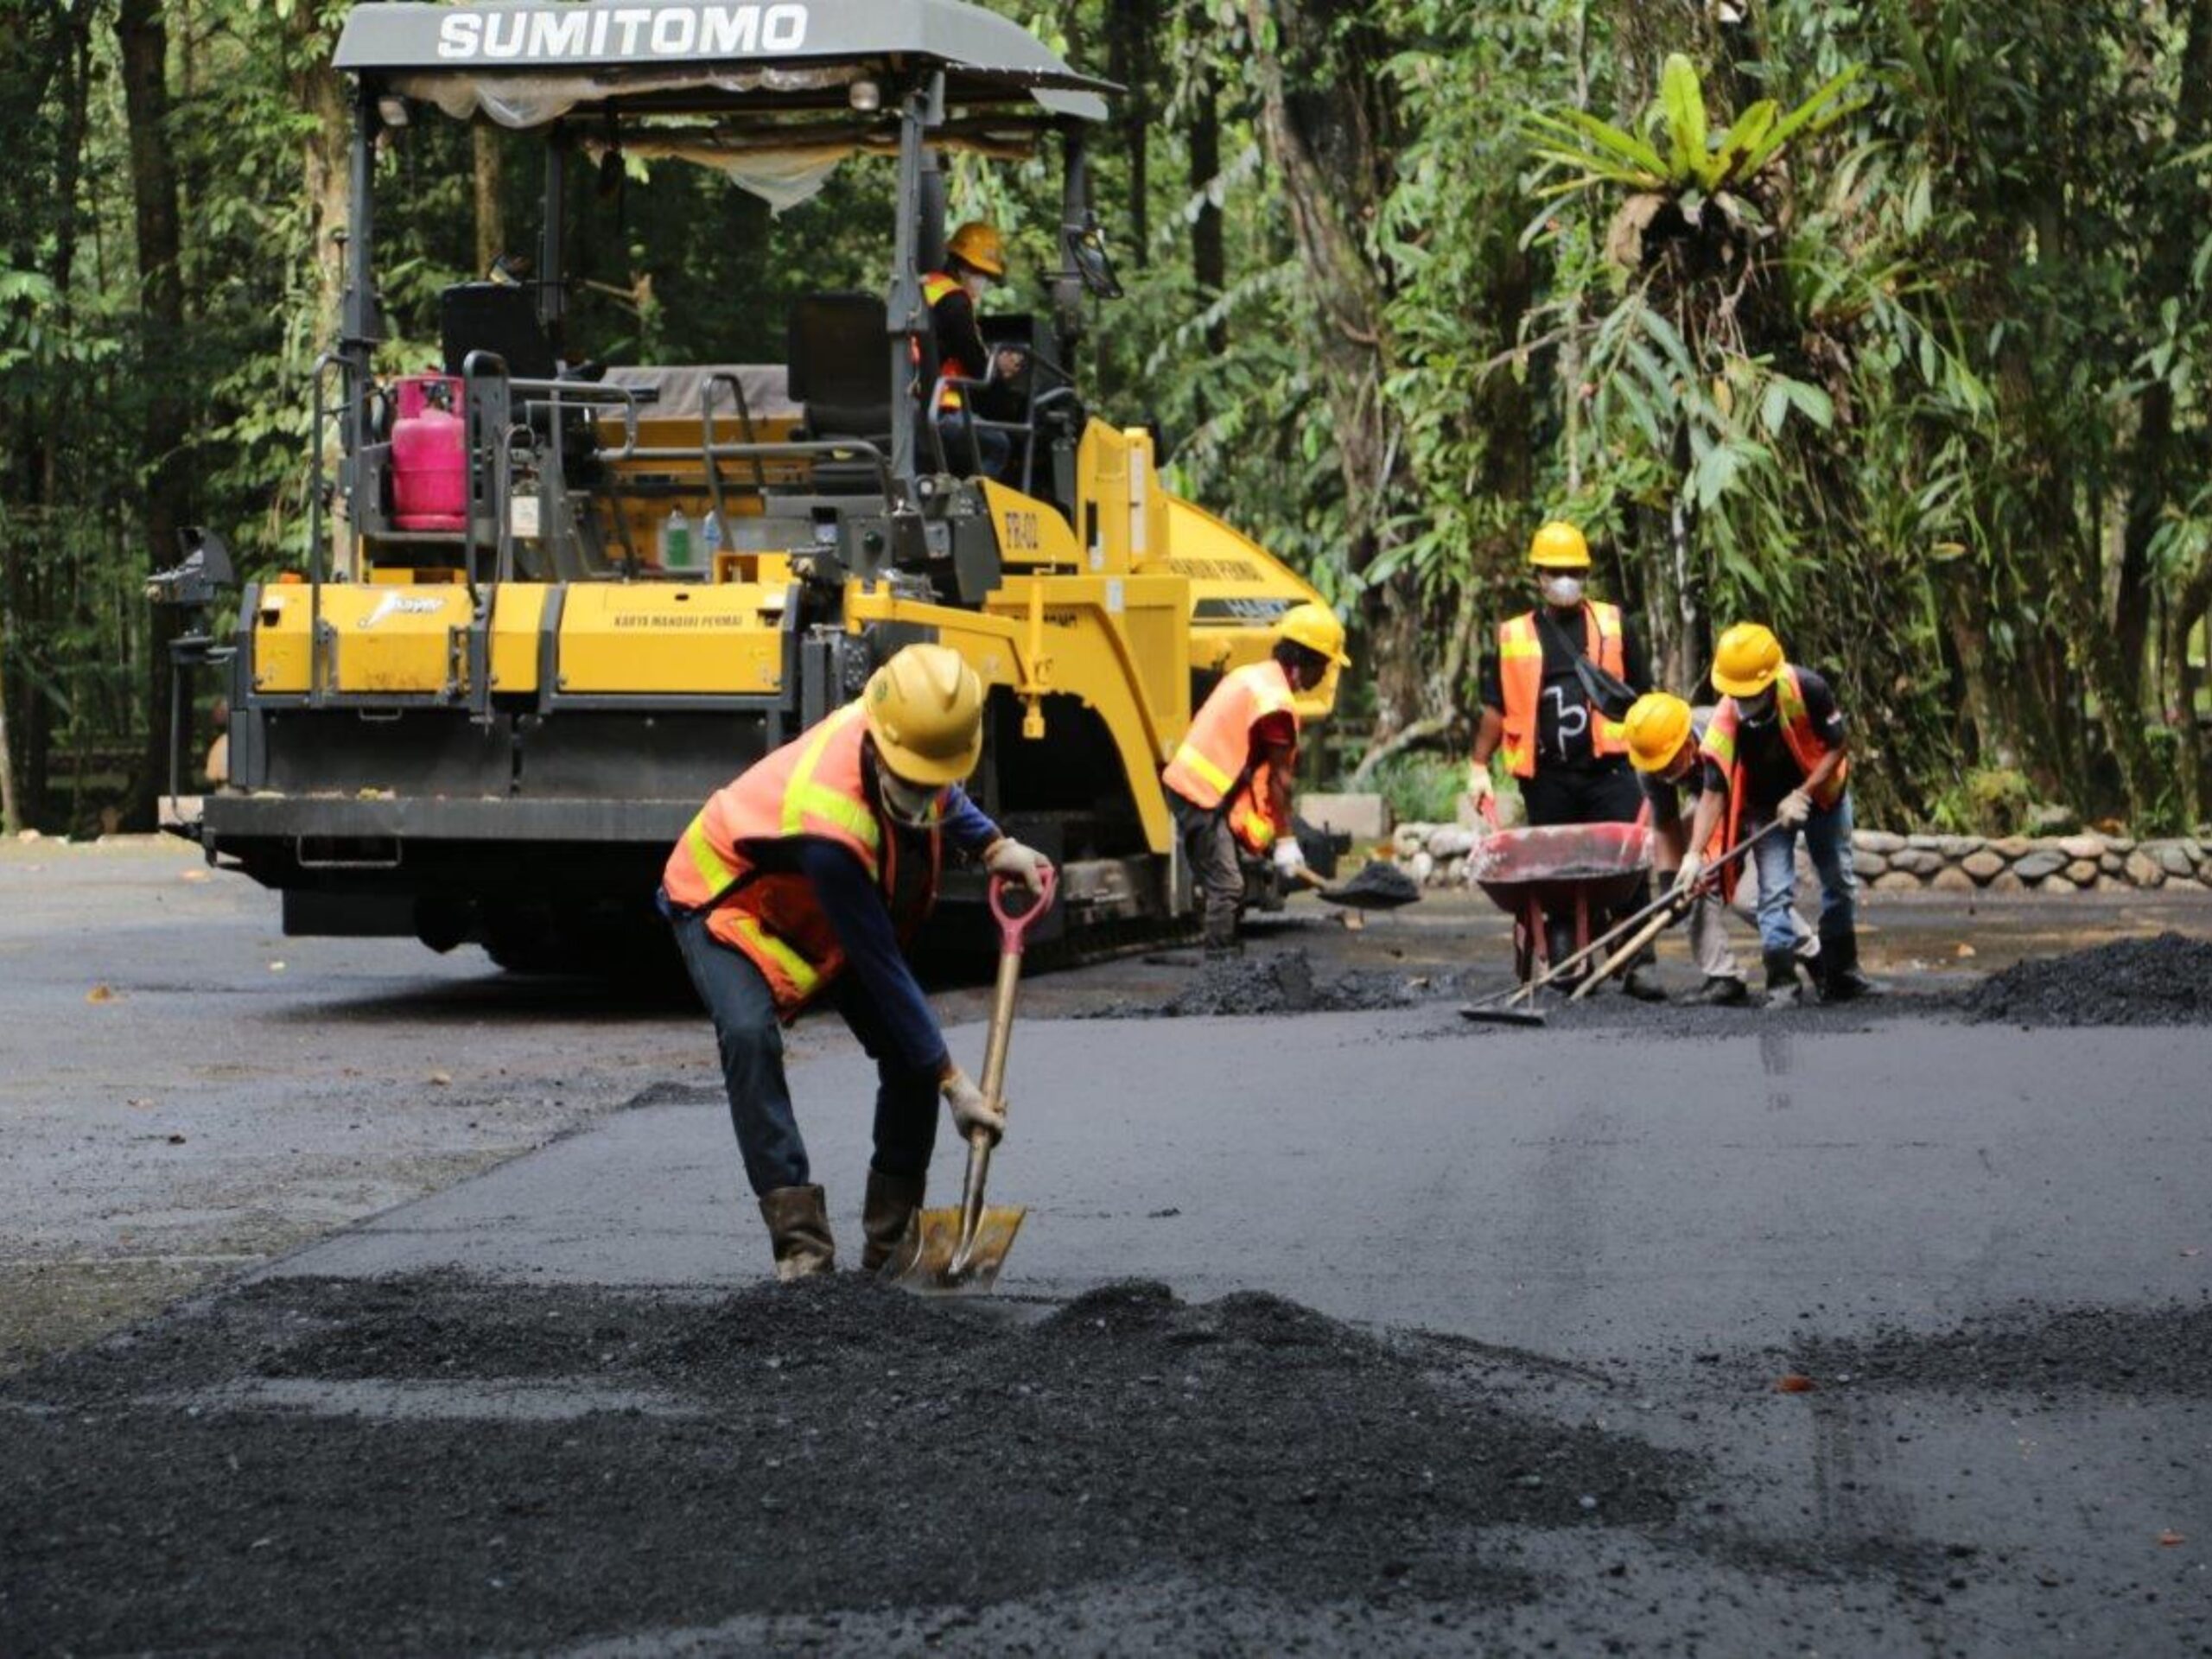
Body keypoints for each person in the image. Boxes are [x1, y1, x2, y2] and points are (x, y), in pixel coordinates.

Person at [660, 644, 1052, 1280]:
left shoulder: (904, 739)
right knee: (748, 1037)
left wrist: (992, 844)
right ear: (881, 746)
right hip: (729, 902)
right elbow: (881, 965)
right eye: (912, 780)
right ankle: (802, 1249)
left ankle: (893, 1245)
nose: (924, 797)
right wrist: (955, 1086)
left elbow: (939, 794)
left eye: (935, 778)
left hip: (808, 912)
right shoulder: (829, 825)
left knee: (907, 1054)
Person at [1467, 520, 1660, 998]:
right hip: (1548, 775)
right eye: (1555, 571)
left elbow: (1645, 694)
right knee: (1557, 874)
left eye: (1572, 570)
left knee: (1629, 868)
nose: (1565, 578)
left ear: (1585, 573)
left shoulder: (1612, 624)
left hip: (1610, 769)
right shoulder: (1514, 635)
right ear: (1538, 576)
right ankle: (1571, 950)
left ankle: (1638, 962)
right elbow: (1496, 707)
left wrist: (1659, 753)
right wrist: (1477, 766)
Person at [1683, 623, 1875, 1007]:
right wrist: (1693, 854)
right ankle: (1782, 985)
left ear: (1769, 683)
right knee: (1772, 893)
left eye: (1749, 694)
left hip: (1823, 797)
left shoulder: (1808, 688)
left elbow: (1838, 746)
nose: (1741, 701)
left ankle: (1843, 976)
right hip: (1765, 808)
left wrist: (1801, 794)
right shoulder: (1727, 718)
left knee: (1838, 883)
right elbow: (1713, 792)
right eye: (1734, 694)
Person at [1163, 601, 1350, 959]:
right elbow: (1281, 782)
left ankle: (1229, 960)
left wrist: (1263, 831)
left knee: (1230, 877)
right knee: (1228, 886)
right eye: (1323, 667)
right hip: (1198, 792)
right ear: (1304, 662)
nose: (1323, 677)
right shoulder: (1276, 704)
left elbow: (1255, 771)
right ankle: (1221, 972)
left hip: (1204, 787)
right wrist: (1285, 841)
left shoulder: (1255, 675)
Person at [1624, 691, 1818, 1005]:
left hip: (1760, 804)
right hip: (1707, 809)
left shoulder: (1726, 732)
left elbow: (1730, 796)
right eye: (1656, 768)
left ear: (1688, 740)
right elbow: (1666, 823)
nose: (1663, 774)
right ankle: (1722, 976)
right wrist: (1671, 884)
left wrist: (1704, 854)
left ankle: (1813, 953)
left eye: (1669, 763)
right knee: (1688, 887)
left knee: (1749, 899)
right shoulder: (1648, 760)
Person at [923, 220, 1028, 481]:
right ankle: (973, 506)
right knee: (999, 445)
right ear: (961, 267)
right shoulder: (956, 301)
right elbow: (976, 365)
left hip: (911, 404)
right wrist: (998, 367)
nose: (983, 282)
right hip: (941, 410)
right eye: (980, 273)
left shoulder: (926, 287)